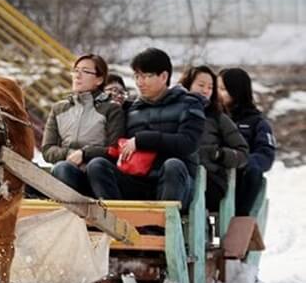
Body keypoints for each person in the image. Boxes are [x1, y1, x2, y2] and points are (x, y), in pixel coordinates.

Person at [85, 47, 205, 209]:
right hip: (137, 179)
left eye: (146, 76)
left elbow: (188, 143)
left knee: (173, 165)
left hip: (176, 183)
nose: (139, 82)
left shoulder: (189, 104)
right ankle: (115, 219)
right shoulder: (131, 109)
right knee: (97, 165)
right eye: (136, 76)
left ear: (164, 76)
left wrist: (141, 140)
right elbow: (115, 146)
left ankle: (162, 222)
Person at [43, 53, 125, 197]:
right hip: (69, 173)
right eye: (76, 71)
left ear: (99, 79)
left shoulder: (112, 109)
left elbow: (114, 150)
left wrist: (84, 154)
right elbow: (47, 150)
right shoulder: (58, 109)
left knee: (96, 165)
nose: (77, 75)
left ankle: (108, 210)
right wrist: (69, 154)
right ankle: (68, 211)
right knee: (62, 168)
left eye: (85, 71)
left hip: (99, 175)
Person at [181, 64, 248, 211]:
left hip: (211, 180)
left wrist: (219, 154)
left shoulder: (218, 118)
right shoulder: (174, 112)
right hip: (180, 176)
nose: (206, 91)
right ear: (187, 85)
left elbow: (243, 154)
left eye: (210, 87)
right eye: (201, 85)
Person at [217, 67, 276, 217]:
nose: (218, 93)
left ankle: (240, 218)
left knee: (253, 170)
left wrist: (241, 161)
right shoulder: (213, 117)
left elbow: (266, 154)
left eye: (223, 89)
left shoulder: (257, 122)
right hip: (215, 176)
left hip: (241, 180)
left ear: (237, 91)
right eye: (216, 88)